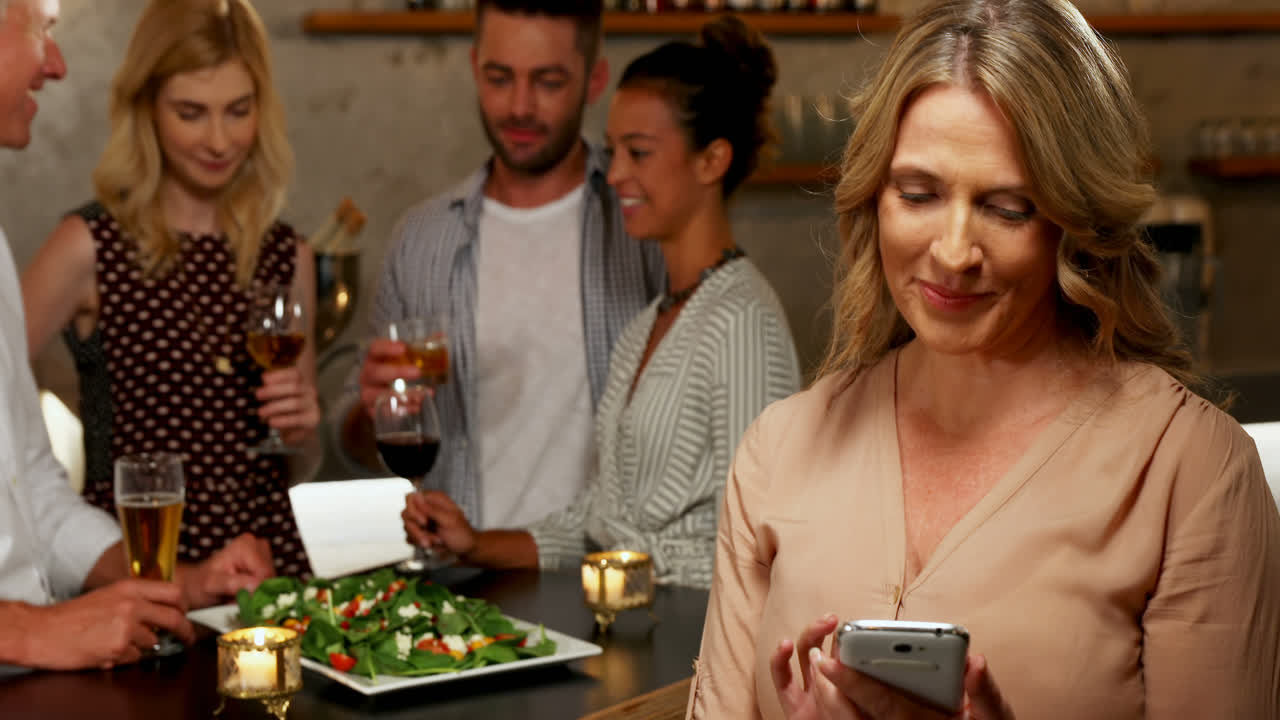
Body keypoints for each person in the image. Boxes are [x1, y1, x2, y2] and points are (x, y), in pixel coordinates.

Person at [687, 0, 1280, 718]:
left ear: (1075, 221)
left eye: (1008, 207)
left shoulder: (1190, 471)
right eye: (919, 193)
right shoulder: (778, 450)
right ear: (874, 196)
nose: (954, 252)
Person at [401, 17, 801, 589]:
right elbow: (601, 523)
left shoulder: (743, 321)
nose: (614, 174)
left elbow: (758, 544)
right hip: (631, 636)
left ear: (712, 160)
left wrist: (615, 563)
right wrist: (475, 543)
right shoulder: (649, 323)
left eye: (638, 153)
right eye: (613, 151)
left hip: (694, 658)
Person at [0, 0, 274, 672]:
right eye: (42, 30)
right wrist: (27, 632)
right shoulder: (90, 243)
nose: (58, 65)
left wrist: (185, 580)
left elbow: (33, 490)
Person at [336, 0, 665, 532]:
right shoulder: (419, 241)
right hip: (459, 591)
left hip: (609, 577)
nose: (519, 106)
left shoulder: (646, 226)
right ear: (473, 68)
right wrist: (371, 415)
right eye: (499, 77)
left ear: (595, 79)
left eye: (549, 81)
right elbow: (354, 446)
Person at [20, 0, 318, 577]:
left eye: (238, 110)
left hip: (271, 569)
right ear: (147, 108)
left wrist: (305, 431)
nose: (218, 140)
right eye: (190, 112)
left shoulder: (285, 253)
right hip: (145, 573)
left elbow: (299, 463)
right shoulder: (90, 244)